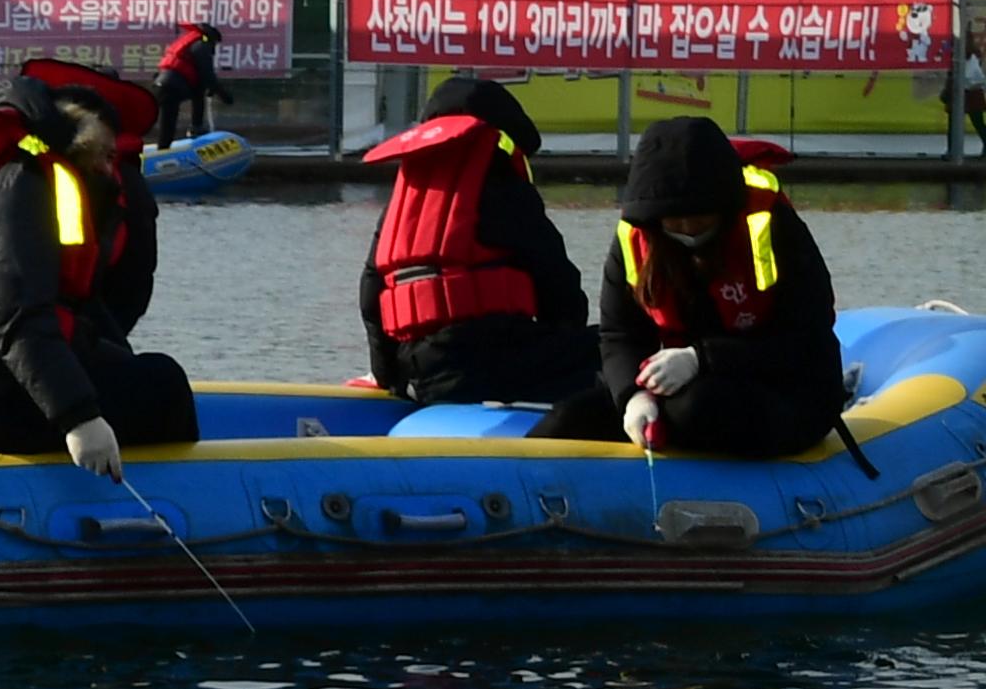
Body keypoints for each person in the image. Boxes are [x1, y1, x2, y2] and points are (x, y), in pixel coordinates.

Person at [0, 60, 197, 470]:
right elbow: (14, 310)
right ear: (79, 143)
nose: (108, 169)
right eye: (104, 154)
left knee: (140, 372)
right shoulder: (27, 182)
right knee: (165, 385)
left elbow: (77, 312)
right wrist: (78, 416)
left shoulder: (23, 169)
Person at [537, 118, 845, 457]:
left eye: (699, 218)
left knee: (699, 408)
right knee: (568, 419)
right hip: (675, 389)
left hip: (783, 389)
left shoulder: (774, 227)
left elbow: (807, 338)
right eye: (674, 220)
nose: (687, 228)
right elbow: (619, 335)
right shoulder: (636, 238)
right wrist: (630, 397)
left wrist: (702, 358)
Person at [356, 75, 595, 407]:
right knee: (611, 346)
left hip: (416, 371)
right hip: (489, 371)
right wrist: (562, 342)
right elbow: (561, 288)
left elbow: (371, 294)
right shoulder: (506, 191)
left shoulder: (401, 204)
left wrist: (387, 378)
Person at [151, 15, 224, 141]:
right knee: (198, 92)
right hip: (174, 87)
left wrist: (212, 87)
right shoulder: (202, 45)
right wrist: (224, 95)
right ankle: (196, 128)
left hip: (160, 83)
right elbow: (208, 75)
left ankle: (161, 145)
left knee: (163, 122)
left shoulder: (189, 42)